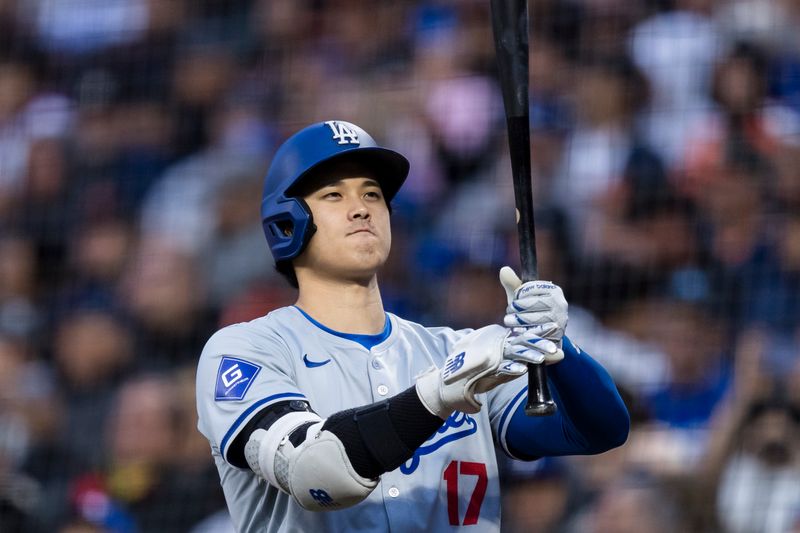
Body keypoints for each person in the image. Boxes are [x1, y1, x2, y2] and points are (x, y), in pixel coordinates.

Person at [195, 120, 630, 532]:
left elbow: (599, 430)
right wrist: (436, 394)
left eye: (372, 195)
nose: (361, 210)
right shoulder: (246, 349)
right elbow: (317, 473)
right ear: (287, 223)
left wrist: (557, 347)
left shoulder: (453, 350)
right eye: (334, 196)